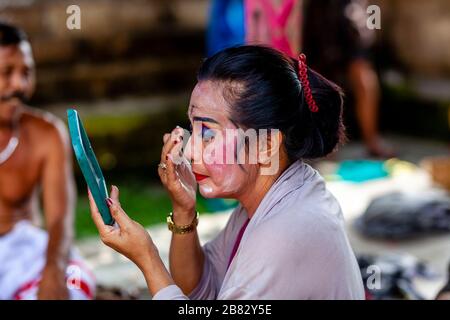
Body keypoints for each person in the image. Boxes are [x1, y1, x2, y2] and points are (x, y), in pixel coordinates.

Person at [87, 45, 365, 299]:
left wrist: (147, 257)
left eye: (208, 132)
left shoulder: (286, 231)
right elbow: (199, 289)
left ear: (265, 145)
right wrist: (184, 208)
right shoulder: (268, 200)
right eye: (192, 127)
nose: (191, 150)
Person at [0, 22, 94, 300]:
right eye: (6, 73)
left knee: (76, 285)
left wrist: (53, 273)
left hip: (27, 258)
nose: (20, 84)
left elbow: (59, 221)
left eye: (26, 72)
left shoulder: (48, 134)